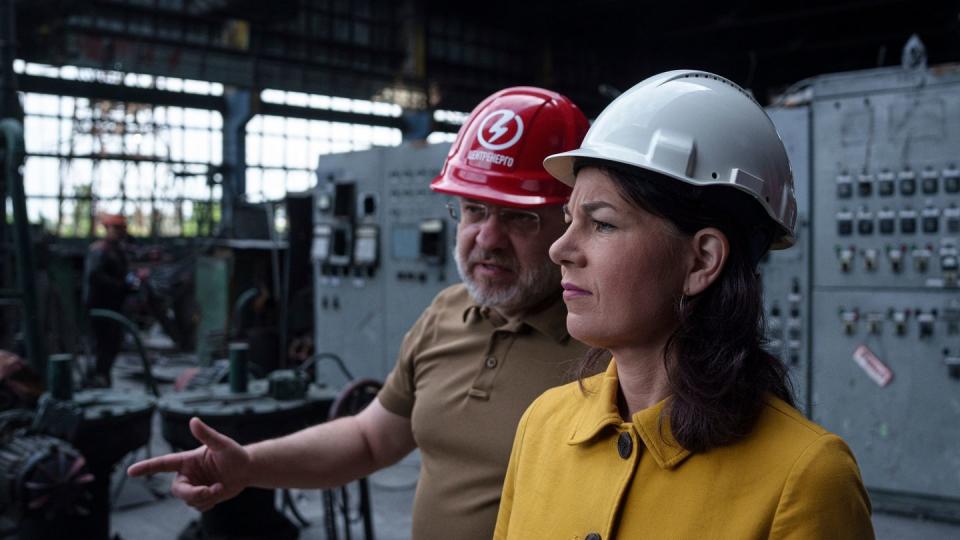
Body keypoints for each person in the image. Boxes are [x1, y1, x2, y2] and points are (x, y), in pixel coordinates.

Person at [128, 87, 592, 540]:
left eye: (518, 217)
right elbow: (370, 439)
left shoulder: (605, 346)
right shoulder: (447, 315)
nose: (487, 238)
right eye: (473, 210)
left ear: (571, 221)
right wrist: (249, 465)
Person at [494, 70, 874, 539]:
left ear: (702, 260)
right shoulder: (542, 426)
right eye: (570, 219)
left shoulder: (806, 478)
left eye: (603, 224)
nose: (560, 249)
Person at [83, 213, 134, 387]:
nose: (120, 232)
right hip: (100, 306)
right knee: (101, 345)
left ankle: (103, 376)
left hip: (114, 305)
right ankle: (97, 377)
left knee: (113, 344)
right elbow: (95, 276)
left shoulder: (118, 250)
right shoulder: (99, 250)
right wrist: (121, 286)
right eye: (116, 228)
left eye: (122, 228)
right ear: (107, 229)